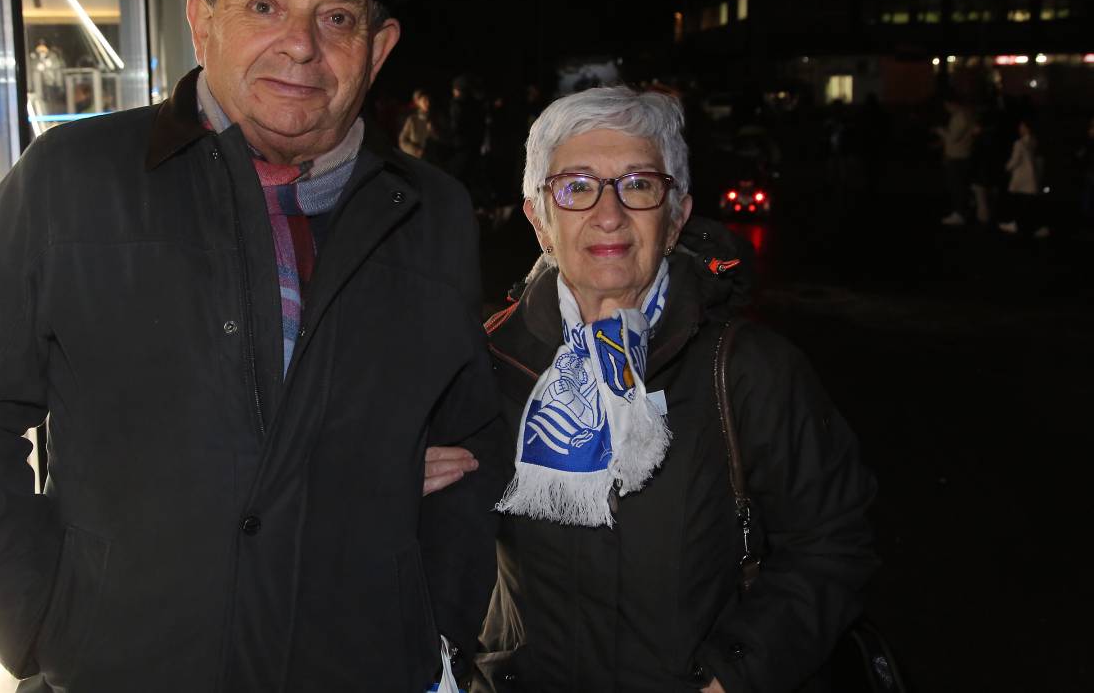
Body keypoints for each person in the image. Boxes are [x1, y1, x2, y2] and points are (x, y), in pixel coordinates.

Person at [0, 0, 502, 692]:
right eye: (264, 6)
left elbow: (469, 445)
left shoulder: (432, 214)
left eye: (337, 18)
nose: (300, 45)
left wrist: (435, 623)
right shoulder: (74, 181)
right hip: (130, 668)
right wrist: (35, 615)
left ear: (378, 48)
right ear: (200, 20)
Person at [440, 86, 876, 692]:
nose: (609, 213)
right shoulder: (486, 363)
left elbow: (833, 547)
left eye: (639, 184)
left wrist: (732, 677)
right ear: (539, 217)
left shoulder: (748, 372)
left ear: (675, 216)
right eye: (577, 186)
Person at [998, 119, 1047, 238]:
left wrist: (1006, 167)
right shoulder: (1034, 141)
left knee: (1019, 203)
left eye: (1022, 126)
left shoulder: (1019, 143)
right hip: (1032, 177)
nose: (1020, 128)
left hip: (1021, 177)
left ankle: (1017, 225)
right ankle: (1031, 226)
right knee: (1029, 204)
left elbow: (1015, 160)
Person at [935, 96, 979, 225]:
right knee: (961, 185)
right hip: (962, 154)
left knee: (957, 186)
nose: (947, 109)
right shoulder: (967, 114)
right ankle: (963, 210)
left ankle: (960, 213)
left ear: (952, 103)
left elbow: (952, 137)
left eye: (947, 106)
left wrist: (940, 130)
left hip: (957, 156)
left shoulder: (961, 117)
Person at [399, 88, 435, 158]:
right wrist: (417, 151)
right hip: (416, 160)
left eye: (429, 100)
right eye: (424, 100)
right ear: (418, 102)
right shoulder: (412, 120)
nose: (428, 103)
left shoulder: (434, 118)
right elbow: (402, 141)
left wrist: (434, 132)